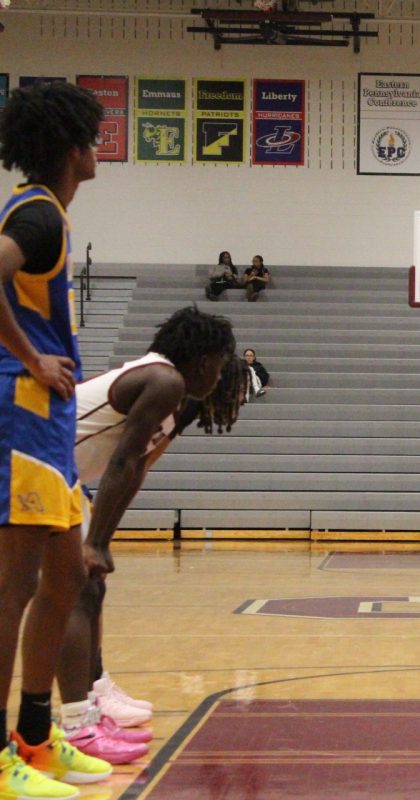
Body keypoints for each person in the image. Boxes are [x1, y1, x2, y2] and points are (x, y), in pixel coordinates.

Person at [0, 79, 117, 795]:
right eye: (92, 137)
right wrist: (28, 355)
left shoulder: (47, 216)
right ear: (70, 148)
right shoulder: (37, 216)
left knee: (67, 575)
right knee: (11, 589)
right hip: (19, 412)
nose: (98, 147)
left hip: (46, 422)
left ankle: (37, 736)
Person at [62, 308, 241, 762]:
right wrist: (96, 541)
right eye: (219, 365)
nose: (221, 376)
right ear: (200, 359)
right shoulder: (163, 382)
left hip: (62, 476)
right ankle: (76, 723)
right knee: (78, 592)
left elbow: (137, 463)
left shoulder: (176, 395)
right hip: (31, 464)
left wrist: (101, 538)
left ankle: (89, 704)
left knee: (89, 590)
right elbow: (121, 462)